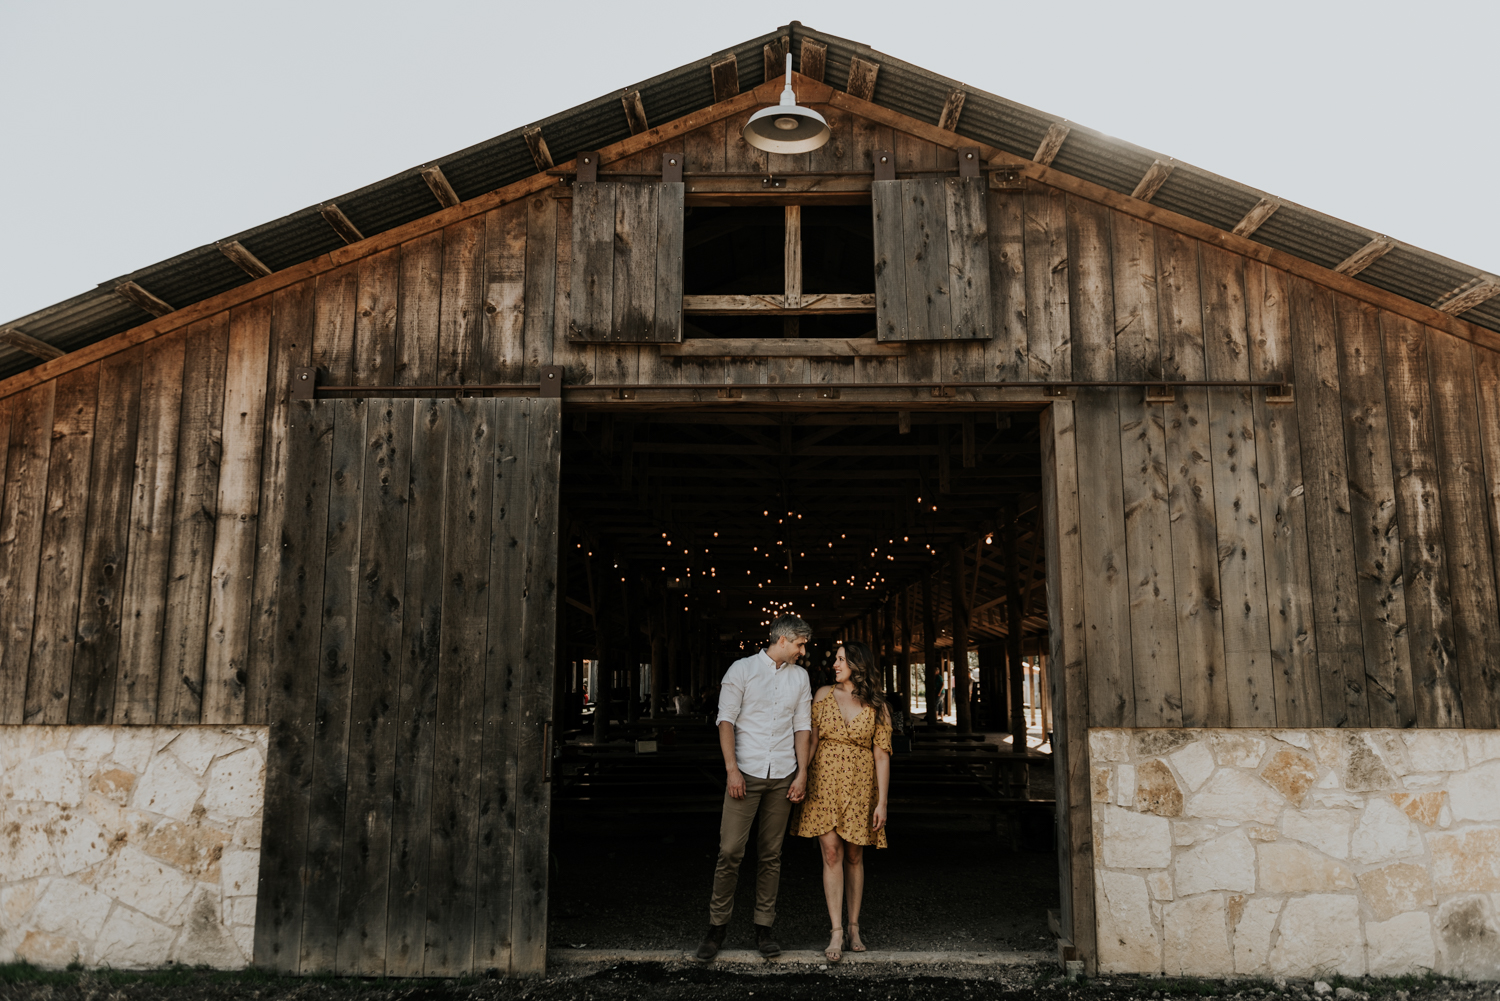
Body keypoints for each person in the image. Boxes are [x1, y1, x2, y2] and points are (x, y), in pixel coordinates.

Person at [695, 616, 813, 962]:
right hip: (745, 772)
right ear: (783, 639)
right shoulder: (741, 670)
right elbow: (726, 721)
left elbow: (802, 726)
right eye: (800, 644)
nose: (803, 651)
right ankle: (717, 928)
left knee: (771, 854)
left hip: (783, 773)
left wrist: (802, 773)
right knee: (730, 850)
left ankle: (764, 927)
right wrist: (732, 770)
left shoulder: (800, 677)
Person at [790, 640, 891, 963]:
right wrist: (801, 774)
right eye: (836, 659)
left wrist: (882, 802)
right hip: (824, 783)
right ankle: (836, 930)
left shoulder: (877, 704)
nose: (834, 664)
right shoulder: (822, 695)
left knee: (854, 855)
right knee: (831, 852)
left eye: (841, 659)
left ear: (858, 665)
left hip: (860, 787)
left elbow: (882, 756)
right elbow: (812, 739)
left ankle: (853, 926)